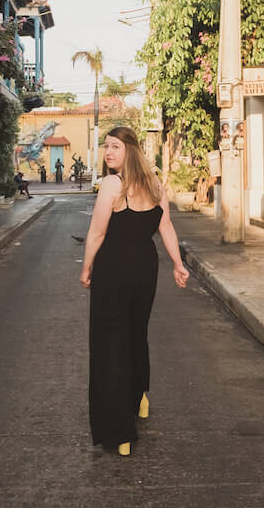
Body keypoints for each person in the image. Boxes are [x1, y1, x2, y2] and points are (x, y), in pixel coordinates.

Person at [79, 126, 189, 457]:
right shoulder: (155, 184)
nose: (108, 153)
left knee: (110, 345)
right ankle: (140, 396)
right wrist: (176, 263)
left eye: (114, 146)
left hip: (113, 270)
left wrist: (86, 268)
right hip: (145, 268)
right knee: (135, 333)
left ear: (130, 149)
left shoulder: (112, 185)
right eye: (105, 147)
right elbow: (165, 226)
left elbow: (97, 234)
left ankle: (121, 433)